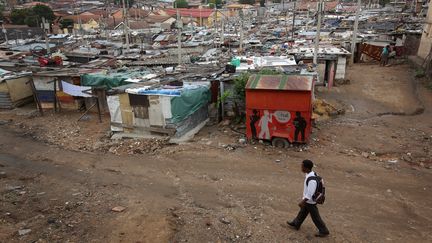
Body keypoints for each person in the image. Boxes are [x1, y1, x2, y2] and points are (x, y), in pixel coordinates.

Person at [287, 160, 330, 237]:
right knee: (303, 212)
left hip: (310, 201)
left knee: (315, 217)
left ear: (306, 168)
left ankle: (324, 230)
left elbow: (310, 193)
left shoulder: (312, 180)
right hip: (309, 201)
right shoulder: (312, 174)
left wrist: (303, 201)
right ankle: (296, 223)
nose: (301, 168)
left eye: (302, 166)